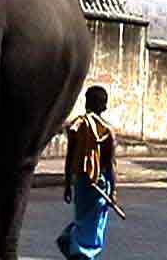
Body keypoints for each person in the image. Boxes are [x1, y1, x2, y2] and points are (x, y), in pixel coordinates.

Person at [57, 86, 118, 260]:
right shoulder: (107, 131)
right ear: (104, 107)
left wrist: (68, 184)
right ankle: (80, 252)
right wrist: (113, 191)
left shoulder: (77, 126)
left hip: (82, 183)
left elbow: (70, 158)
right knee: (93, 226)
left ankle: (73, 243)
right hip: (99, 185)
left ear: (86, 103)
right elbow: (111, 164)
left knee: (83, 220)